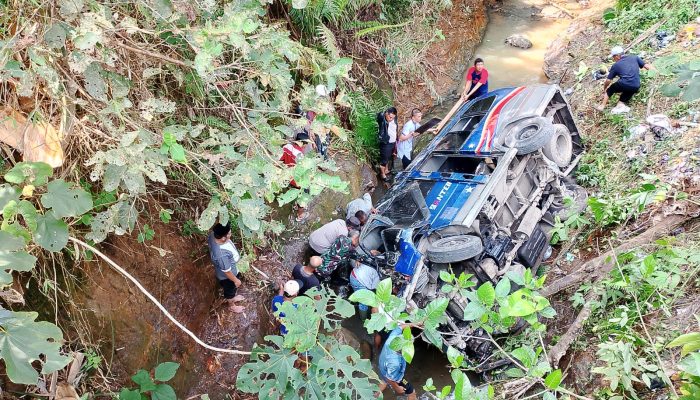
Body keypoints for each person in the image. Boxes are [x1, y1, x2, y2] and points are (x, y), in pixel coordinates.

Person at [595, 46, 653, 113]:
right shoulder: (635, 57)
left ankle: (602, 106)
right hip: (636, 85)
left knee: (610, 90)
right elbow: (647, 66)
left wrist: (605, 89)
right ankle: (619, 105)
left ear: (617, 56)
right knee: (627, 93)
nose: (613, 59)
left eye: (613, 57)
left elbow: (608, 80)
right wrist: (656, 72)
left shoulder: (616, 65)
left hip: (624, 83)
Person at [207, 222, 245, 313]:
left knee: (232, 290)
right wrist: (236, 280)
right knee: (230, 291)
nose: (230, 233)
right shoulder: (221, 255)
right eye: (229, 233)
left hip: (228, 267)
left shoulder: (213, 235)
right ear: (223, 238)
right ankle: (232, 305)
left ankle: (232, 298)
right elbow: (227, 272)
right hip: (227, 278)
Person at [377, 327, 417, 399]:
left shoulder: (393, 338)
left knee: (383, 380)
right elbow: (390, 378)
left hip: (383, 366)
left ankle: (374, 396)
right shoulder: (395, 364)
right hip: (395, 376)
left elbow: (400, 326)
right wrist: (396, 387)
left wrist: (414, 324)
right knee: (411, 391)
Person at [280, 133, 311, 222]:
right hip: (296, 180)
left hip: (287, 175)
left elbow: (281, 160)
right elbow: (303, 171)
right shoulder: (300, 155)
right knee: (306, 191)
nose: (306, 146)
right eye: (305, 144)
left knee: (294, 190)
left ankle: (296, 204)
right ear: (301, 143)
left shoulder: (287, 147)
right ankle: (300, 214)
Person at [376, 107, 398, 181]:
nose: (391, 119)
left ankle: (387, 170)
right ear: (386, 113)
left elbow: (395, 129)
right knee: (384, 159)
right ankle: (383, 175)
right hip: (386, 143)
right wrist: (383, 114)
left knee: (390, 157)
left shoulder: (394, 119)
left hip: (393, 142)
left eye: (393, 117)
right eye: (390, 117)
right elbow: (379, 116)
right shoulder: (383, 120)